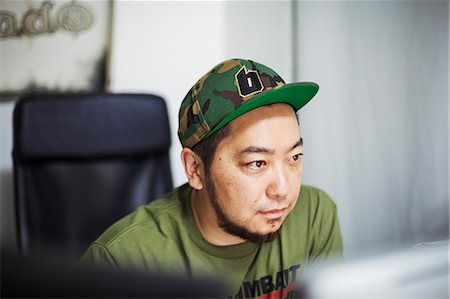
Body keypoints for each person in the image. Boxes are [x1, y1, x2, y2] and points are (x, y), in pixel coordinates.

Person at [82, 58, 343, 298]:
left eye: (294, 157)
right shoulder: (122, 261)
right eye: (257, 163)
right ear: (195, 169)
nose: (283, 190)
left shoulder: (314, 215)